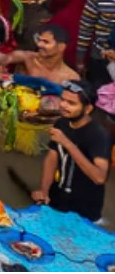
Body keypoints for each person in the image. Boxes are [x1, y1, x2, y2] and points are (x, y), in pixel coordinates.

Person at [33, 81, 110, 221]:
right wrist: (44, 191)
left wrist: (67, 143)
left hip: (84, 207)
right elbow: (52, 159)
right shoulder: (61, 123)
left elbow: (99, 178)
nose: (63, 105)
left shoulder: (99, 136)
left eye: (71, 103)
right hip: (58, 195)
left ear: (87, 109)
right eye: (62, 99)